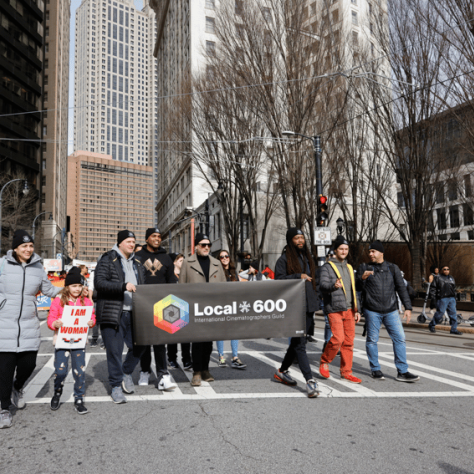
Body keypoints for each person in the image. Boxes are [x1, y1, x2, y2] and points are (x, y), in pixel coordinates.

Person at [0, 230, 60, 429]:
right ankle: (4, 409)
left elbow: (50, 290)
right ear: (15, 248)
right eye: (24, 246)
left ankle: (18, 387)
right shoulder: (2, 264)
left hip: (29, 324)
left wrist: (71, 289)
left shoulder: (38, 268)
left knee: (28, 365)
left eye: (30, 245)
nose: (28, 249)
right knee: (4, 372)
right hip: (5, 324)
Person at [94, 230, 146, 404]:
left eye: (133, 242)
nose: (132, 244)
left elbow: (144, 286)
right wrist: (123, 286)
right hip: (113, 312)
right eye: (128, 241)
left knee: (141, 345)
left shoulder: (138, 262)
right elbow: (99, 284)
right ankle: (116, 386)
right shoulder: (108, 259)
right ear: (120, 243)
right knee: (114, 352)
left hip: (135, 312)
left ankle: (126, 372)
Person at [357, 240, 419, 382]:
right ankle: (375, 369)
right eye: (369, 251)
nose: (370, 254)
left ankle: (402, 371)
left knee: (400, 338)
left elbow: (401, 288)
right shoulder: (364, 267)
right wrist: (362, 278)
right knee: (372, 340)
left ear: (381, 252)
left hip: (391, 310)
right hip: (372, 310)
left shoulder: (392, 268)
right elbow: (358, 288)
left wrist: (408, 307)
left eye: (373, 251)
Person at [273, 228, 320, 398]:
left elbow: (315, 279)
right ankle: (310, 381)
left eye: (302, 238)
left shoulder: (307, 257)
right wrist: (297, 276)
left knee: (297, 342)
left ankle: (282, 371)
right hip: (294, 306)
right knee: (300, 344)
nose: (300, 241)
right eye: (296, 238)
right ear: (290, 240)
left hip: (308, 305)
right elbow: (277, 281)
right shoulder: (283, 259)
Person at [179, 233, 226, 386]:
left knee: (208, 341)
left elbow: (224, 286)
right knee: (197, 341)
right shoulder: (187, 262)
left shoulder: (217, 263)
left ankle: (206, 369)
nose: (206, 247)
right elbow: (181, 287)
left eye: (208, 245)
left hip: (212, 308)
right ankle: (197, 372)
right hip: (194, 308)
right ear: (197, 246)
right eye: (203, 244)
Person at [47, 267, 96, 414]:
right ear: (67, 286)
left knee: (79, 371)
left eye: (80, 286)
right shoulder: (58, 301)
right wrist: (54, 324)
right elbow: (51, 318)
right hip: (62, 340)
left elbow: (92, 317)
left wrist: (91, 322)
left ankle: (79, 398)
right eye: (74, 286)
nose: (77, 289)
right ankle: (57, 392)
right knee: (60, 371)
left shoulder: (86, 302)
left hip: (79, 341)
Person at [135, 228, 178, 390]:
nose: (157, 239)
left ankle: (163, 374)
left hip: (162, 305)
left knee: (160, 341)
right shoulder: (138, 257)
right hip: (143, 304)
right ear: (147, 239)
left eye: (159, 237)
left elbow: (171, 281)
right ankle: (144, 371)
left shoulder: (166, 258)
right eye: (154, 236)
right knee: (145, 341)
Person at [319, 235, 361, 383]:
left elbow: (353, 289)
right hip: (334, 308)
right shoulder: (328, 267)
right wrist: (333, 286)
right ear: (335, 250)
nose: (344, 251)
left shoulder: (349, 267)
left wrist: (357, 310)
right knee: (337, 339)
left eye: (346, 249)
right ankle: (325, 361)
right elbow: (322, 285)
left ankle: (346, 371)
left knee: (349, 342)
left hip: (349, 309)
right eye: (341, 249)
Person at [216, 250, 246, 370]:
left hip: (233, 307)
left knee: (234, 332)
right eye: (221, 257)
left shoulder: (234, 273)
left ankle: (235, 357)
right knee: (221, 333)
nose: (224, 258)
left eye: (226, 256)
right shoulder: (217, 273)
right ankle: (221, 356)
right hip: (220, 306)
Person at [167, 253, 192, 370]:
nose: (183, 262)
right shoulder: (170, 276)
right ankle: (171, 359)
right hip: (172, 309)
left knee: (186, 337)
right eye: (181, 260)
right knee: (173, 337)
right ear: (174, 262)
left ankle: (187, 360)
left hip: (185, 308)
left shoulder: (186, 275)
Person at [429, 265, 462, 335]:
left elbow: (453, 288)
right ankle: (432, 325)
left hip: (451, 298)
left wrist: (455, 298)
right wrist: (433, 299)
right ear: (442, 270)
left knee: (453, 314)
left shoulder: (451, 278)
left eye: (447, 269)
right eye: (444, 269)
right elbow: (432, 288)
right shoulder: (438, 277)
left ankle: (453, 329)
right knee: (440, 313)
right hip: (442, 298)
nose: (446, 270)